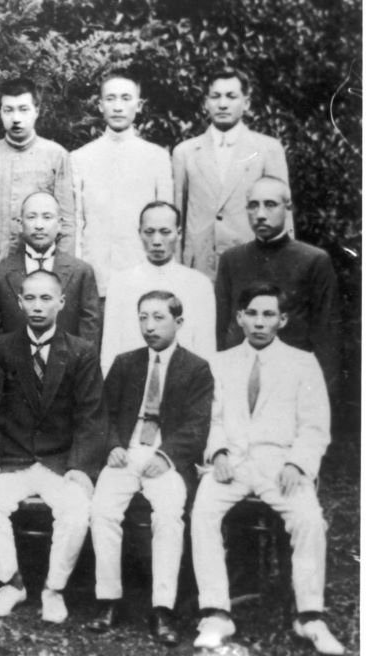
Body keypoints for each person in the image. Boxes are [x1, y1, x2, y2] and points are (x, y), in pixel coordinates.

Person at [191, 283, 344, 655]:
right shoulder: (220, 362)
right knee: (203, 513)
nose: (260, 322)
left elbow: (314, 426)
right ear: (240, 318)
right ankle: (216, 613)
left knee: (309, 519)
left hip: (280, 465)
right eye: (253, 314)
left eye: (269, 314)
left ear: (282, 319)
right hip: (232, 463)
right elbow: (212, 419)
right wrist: (218, 454)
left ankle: (310, 616)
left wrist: (297, 463)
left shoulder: (302, 363)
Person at [0, 269, 104, 623]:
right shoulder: (1, 349)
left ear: (62, 302)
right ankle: (11, 583)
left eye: (46, 298)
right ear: (19, 302)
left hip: (60, 462)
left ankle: (53, 589)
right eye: (30, 298)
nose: (38, 306)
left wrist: (80, 466)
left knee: (77, 509)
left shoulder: (81, 352)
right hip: (13, 460)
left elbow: (91, 416)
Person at [87, 291, 213, 646]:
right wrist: (112, 446)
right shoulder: (125, 363)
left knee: (169, 516)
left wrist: (167, 455)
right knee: (102, 511)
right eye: (143, 317)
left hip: (166, 458)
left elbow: (197, 425)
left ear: (179, 322)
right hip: (126, 453)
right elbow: (103, 414)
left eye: (158, 317)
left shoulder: (196, 368)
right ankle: (108, 600)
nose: (149, 326)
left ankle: (162, 607)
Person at [215, 176, 340, 391]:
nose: (260, 214)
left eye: (270, 204)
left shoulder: (313, 260)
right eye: (253, 206)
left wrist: (321, 394)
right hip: (239, 379)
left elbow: (327, 337)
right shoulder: (231, 259)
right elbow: (221, 327)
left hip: (292, 381)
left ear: (288, 208)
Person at [172, 66, 291, 279]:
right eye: (215, 96)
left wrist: (281, 271)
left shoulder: (268, 149)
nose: (223, 104)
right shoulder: (185, 152)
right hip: (198, 269)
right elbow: (176, 218)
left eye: (231, 96)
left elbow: (283, 217)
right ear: (206, 103)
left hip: (253, 265)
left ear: (246, 103)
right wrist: (176, 271)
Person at [71, 71, 173, 297]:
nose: (118, 107)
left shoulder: (157, 157)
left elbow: (166, 223)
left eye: (126, 98)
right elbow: (77, 223)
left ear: (139, 105)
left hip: (143, 277)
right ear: (100, 105)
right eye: (111, 99)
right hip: (95, 277)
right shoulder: (80, 158)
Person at [0, 77, 75, 265]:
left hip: (42, 267)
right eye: (8, 110)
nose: (16, 118)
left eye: (23, 109)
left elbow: (67, 221)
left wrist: (61, 268)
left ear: (36, 111)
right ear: (0, 112)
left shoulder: (56, 156)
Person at [100, 201, 214, 374]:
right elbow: (110, 349)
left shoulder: (199, 284)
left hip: (184, 383)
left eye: (165, 232)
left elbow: (206, 350)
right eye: (149, 232)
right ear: (139, 233)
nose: (156, 241)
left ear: (179, 233)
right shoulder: (120, 283)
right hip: (132, 381)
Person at [0, 191, 99, 344]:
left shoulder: (81, 272)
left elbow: (89, 337)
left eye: (47, 217)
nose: (39, 226)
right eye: (31, 217)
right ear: (20, 224)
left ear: (59, 224)